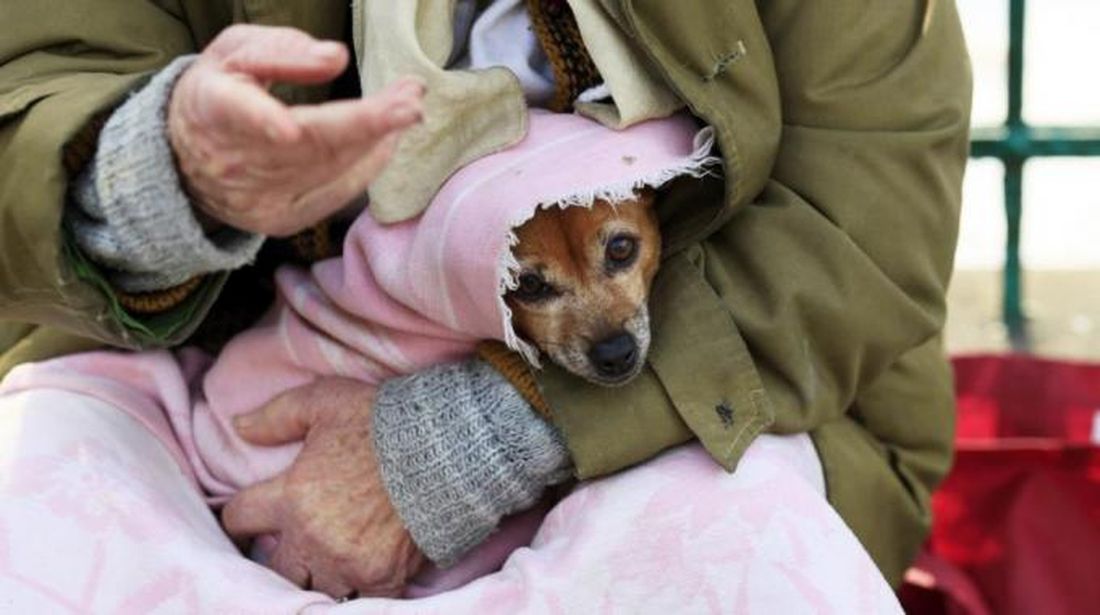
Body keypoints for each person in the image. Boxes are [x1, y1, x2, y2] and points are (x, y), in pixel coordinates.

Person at [0, 0, 972, 604]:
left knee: (731, 548)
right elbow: (36, 83)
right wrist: (152, 178)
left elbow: (859, 230)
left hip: (723, 389)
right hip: (219, 373)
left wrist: (482, 434)